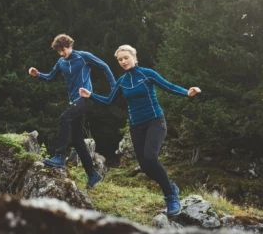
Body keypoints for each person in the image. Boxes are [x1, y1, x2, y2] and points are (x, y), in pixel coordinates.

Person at [79, 44, 201, 216]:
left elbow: (169, 86)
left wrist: (186, 93)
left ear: (135, 57)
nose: (123, 61)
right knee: (145, 166)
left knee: (150, 157)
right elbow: (109, 102)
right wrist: (90, 95)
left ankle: (171, 197)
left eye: (126, 57)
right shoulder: (122, 82)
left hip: (155, 121)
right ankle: (170, 185)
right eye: (120, 59)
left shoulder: (147, 74)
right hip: (136, 126)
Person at [28, 34, 116, 188]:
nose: (61, 53)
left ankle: (59, 157)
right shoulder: (61, 62)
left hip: (86, 98)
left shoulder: (83, 56)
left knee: (64, 118)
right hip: (73, 101)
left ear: (70, 45)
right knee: (77, 141)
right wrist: (38, 75)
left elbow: (104, 66)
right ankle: (93, 174)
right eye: (59, 51)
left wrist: (114, 85)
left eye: (63, 50)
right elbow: (50, 77)